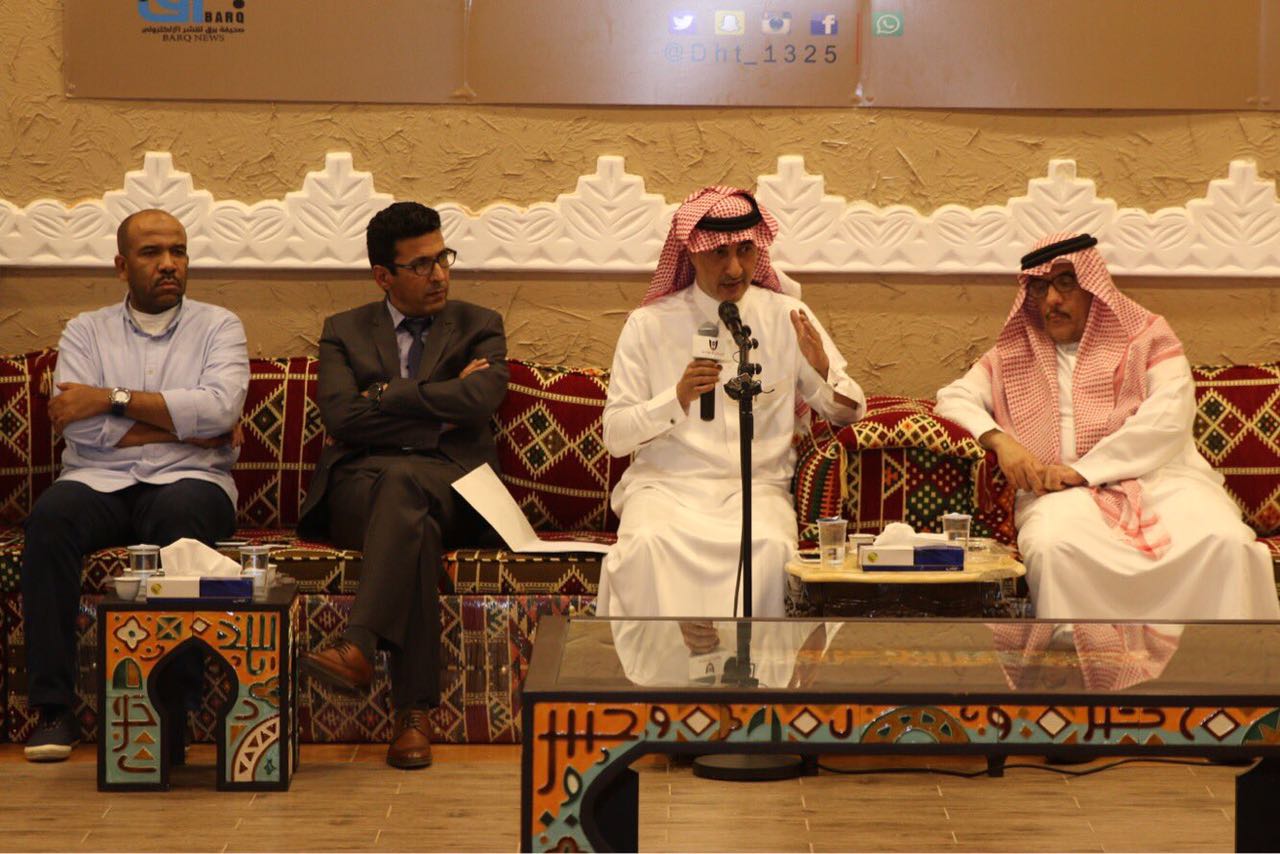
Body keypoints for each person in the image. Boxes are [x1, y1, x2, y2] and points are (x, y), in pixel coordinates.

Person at [935, 232, 1279, 620]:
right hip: (1061, 497)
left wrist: (1083, 470)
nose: (1051, 300)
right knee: (1053, 546)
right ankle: (1083, 656)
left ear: (1093, 287)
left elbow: (1168, 418)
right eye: (1041, 287)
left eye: (1066, 282)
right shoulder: (1014, 353)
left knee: (1225, 540)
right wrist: (1001, 442)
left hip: (1160, 484)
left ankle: (1220, 657)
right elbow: (952, 399)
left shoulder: (1148, 338)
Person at [21, 209, 248, 761]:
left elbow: (220, 411)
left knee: (180, 517)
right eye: (152, 253)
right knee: (49, 520)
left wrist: (110, 399)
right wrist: (185, 427)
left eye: (178, 251)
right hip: (97, 480)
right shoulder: (86, 330)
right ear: (122, 266)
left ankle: (172, 716)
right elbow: (79, 427)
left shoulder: (219, 326)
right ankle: (53, 711)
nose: (169, 263)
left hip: (193, 480)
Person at [297, 202, 508, 770]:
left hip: (456, 488)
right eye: (421, 265)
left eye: (443, 258)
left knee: (407, 488)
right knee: (408, 508)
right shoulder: (343, 331)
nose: (439, 274)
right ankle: (413, 715)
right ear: (383, 276)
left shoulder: (480, 324)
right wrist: (438, 408)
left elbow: (481, 399)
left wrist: (388, 395)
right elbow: (342, 417)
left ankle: (359, 645)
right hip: (359, 489)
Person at [596, 186, 865, 620]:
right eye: (719, 252)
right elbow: (615, 436)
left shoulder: (787, 316)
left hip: (756, 490)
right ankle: (656, 666)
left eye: (745, 250)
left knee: (772, 549)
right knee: (644, 546)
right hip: (665, 490)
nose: (735, 268)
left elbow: (851, 412)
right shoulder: (648, 325)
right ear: (691, 252)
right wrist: (676, 398)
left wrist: (821, 370)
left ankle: (752, 666)